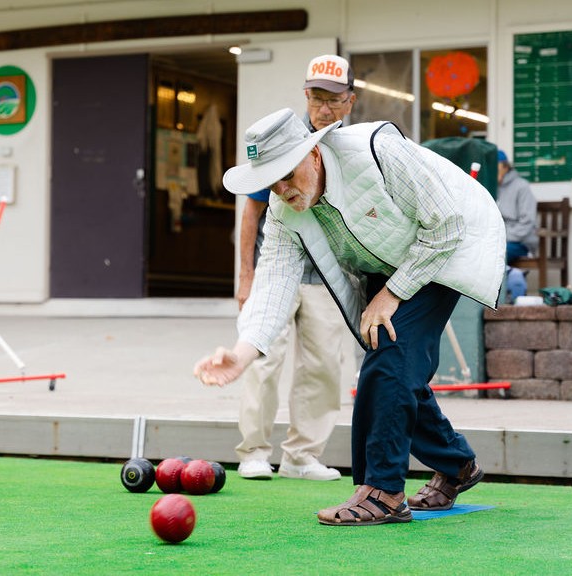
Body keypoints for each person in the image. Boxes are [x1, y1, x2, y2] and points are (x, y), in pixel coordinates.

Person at [193, 107, 505, 526]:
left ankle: (383, 492)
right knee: (398, 366)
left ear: (315, 155)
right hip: (392, 256)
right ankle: (455, 465)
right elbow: (273, 287)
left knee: (390, 354)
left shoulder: (378, 152)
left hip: (452, 241)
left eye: (288, 173)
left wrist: (392, 294)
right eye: (272, 181)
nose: (282, 189)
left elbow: (445, 224)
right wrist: (242, 353)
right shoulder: (286, 212)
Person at [233, 54, 357, 482]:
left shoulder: (352, 146)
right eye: (316, 98)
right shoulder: (279, 140)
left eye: (333, 100)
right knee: (263, 355)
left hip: (328, 275)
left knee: (324, 363)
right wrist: (246, 276)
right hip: (276, 266)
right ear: (306, 96)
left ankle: (302, 455)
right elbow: (252, 210)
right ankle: (253, 451)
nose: (324, 108)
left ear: (350, 102)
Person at [497, 149, 538, 302]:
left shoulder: (522, 186)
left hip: (520, 242)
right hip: (498, 240)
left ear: (505, 166)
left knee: (496, 252)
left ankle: (508, 292)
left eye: (496, 166)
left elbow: (527, 223)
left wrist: (502, 237)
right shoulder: (491, 187)